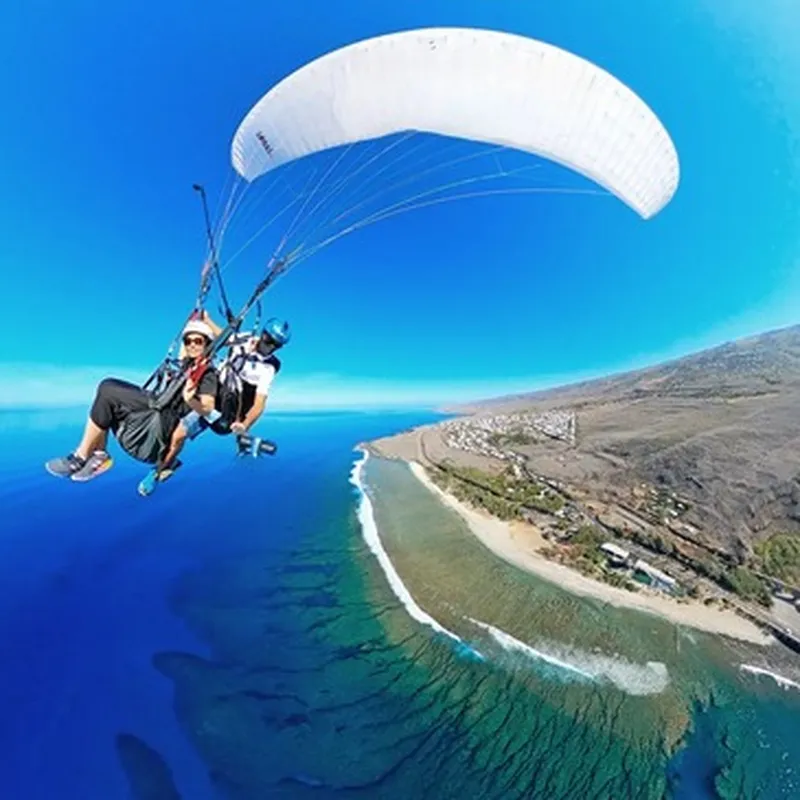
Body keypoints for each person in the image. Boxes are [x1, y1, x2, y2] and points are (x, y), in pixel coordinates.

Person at [135, 312, 290, 496]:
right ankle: (161, 444)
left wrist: (245, 425)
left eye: (275, 345)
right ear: (263, 334)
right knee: (187, 377)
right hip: (212, 388)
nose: (269, 347)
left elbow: (259, 404)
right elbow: (223, 336)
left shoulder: (266, 369)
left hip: (225, 408)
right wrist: (205, 318)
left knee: (179, 434)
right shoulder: (246, 339)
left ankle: (159, 470)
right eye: (268, 340)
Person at [45, 318, 218, 483]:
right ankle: (99, 454)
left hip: (164, 416)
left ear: (208, 344)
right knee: (107, 399)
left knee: (107, 388)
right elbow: (185, 348)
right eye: (188, 341)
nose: (192, 345)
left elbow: (208, 407)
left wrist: (189, 399)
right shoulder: (188, 363)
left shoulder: (207, 373)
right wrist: (198, 319)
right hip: (156, 406)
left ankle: (81, 456)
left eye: (198, 341)